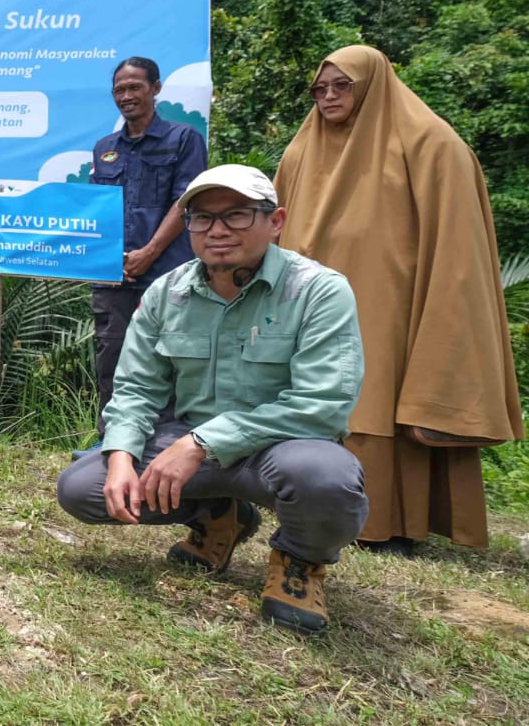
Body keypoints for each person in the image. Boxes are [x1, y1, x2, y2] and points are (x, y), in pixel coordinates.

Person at [55, 164, 368, 635]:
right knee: (85, 488)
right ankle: (217, 516)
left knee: (326, 480)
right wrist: (120, 456)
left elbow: (322, 402)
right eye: (202, 218)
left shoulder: (318, 290)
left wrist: (201, 443)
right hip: (190, 446)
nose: (217, 231)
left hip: (279, 449)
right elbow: (137, 389)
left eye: (238, 215)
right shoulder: (168, 292)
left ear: (276, 221)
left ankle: (298, 562)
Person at [277, 45, 523, 555]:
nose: (327, 97)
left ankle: (391, 523)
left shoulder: (430, 144)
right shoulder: (302, 150)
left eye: (340, 86)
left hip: (392, 310)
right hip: (311, 310)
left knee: (377, 402)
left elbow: (459, 251)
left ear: (371, 84)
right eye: (319, 89)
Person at [87, 57, 206, 446]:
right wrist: (107, 260)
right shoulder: (104, 149)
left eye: (135, 87)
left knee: (170, 361)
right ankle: (112, 443)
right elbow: (97, 212)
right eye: (119, 89)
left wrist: (149, 252)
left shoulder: (184, 139)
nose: (126, 96)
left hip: (168, 275)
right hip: (114, 277)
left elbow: (185, 201)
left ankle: (166, 445)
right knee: (112, 359)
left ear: (155, 88)